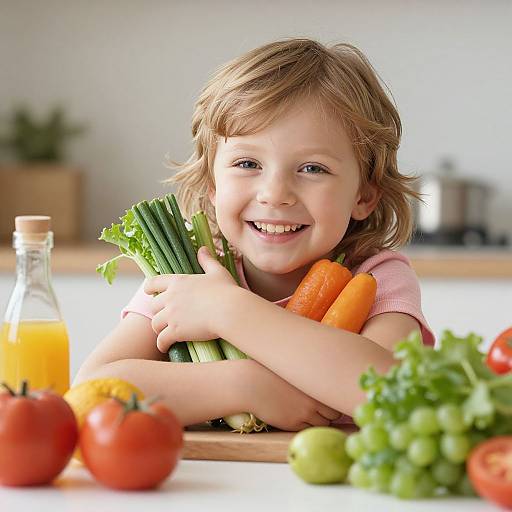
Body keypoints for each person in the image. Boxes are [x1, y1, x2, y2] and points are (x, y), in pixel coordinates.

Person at [75, 38, 434, 431]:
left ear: (363, 195)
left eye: (313, 169)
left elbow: (393, 395)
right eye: (247, 163)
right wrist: (244, 384)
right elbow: (91, 391)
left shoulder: (379, 277)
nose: (275, 194)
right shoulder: (189, 277)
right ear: (212, 185)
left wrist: (231, 311)